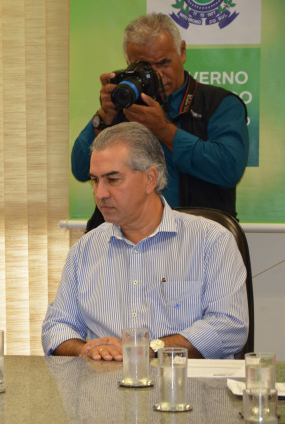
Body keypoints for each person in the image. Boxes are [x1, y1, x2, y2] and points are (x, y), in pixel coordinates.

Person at [42, 122, 248, 360]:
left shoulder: (212, 241)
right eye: (95, 180)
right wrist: (87, 349)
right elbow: (56, 327)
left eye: (113, 179)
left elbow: (229, 327)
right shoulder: (85, 249)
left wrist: (147, 349)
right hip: (107, 389)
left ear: (150, 178)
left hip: (185, 388)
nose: (100, 193)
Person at [71, 13, 248, 226]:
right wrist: (104, 116)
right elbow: (81, 169)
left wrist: (164, 130)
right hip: (124, 239)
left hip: (196, 237)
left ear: (181, 52)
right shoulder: (124, 103)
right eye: (145, 67)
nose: (157, 75)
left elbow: (228, 169)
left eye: (164, 63)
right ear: (128, 62)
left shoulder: (220, 104)